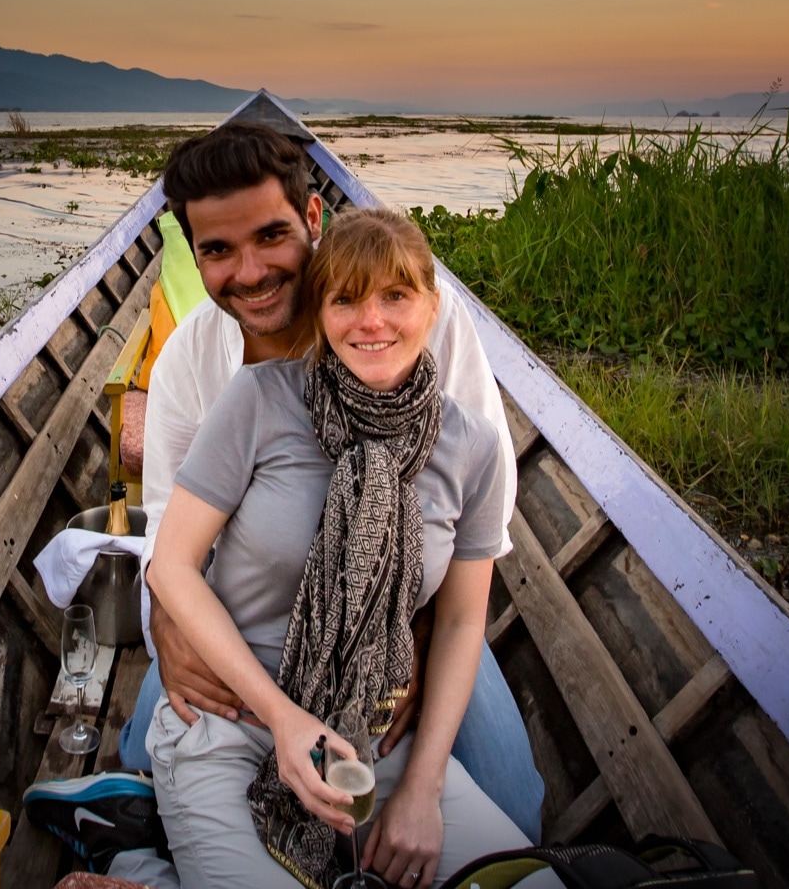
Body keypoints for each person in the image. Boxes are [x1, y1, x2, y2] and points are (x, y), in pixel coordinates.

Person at [117, 123, 544, 842]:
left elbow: (475, 515)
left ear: (314, 218)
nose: (248, 273)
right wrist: (166, 621)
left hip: (412, 611)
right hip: (247, 622)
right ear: (194, 254)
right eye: (217, 250)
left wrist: (409, 630)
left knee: (514, 803)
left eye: (271, 237)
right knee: (145, 772)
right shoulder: (193, 361)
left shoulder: (422, 327)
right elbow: (167, 539)